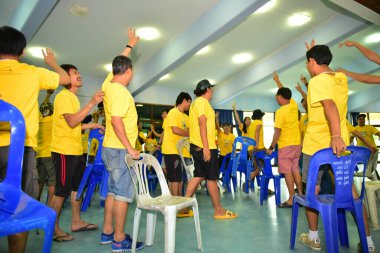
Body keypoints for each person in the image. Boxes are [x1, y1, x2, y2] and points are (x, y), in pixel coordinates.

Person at [299, 42, 376, 252]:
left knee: (312, 190)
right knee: (350, 191)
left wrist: (333, 135)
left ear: (312, 62)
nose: (307, 66)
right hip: (341, 148)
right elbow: (333, 93)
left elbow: (329, 105)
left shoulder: (316, 82)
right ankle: (368, 242)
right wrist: (317, 52)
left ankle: (313, 238)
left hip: (317, 146)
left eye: (308, 62)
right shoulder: (340, 78)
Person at [0, 26, 70, 253]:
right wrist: (52, 62)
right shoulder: (31, 72)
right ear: (21, 51)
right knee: (20, 208)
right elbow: (65, 78)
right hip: (20, 152)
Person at [100, 28, 144, 252]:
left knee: (112, 191)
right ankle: (119, 238)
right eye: (132, 70)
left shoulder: (108, 85)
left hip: (110, 148)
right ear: (128, 71)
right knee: (123, 195)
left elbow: (119, 62)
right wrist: (131, 149)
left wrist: (130, 44)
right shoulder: (120, 91)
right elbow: (116, 120)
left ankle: (107, 232)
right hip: (120, 150)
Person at [49, 63, 104, 242]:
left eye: (78, 72)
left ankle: (76, 221)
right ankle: (53, 229)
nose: (79, 75)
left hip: (74, 150)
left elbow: (74, 125)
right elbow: (72, 122)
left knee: (76, 189)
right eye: (74, 73)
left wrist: (92, 124)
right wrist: (91, 103)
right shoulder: (64, 96)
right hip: (63, 151)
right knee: (61, 191)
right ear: (66, 78)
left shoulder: (72, 98)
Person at [180, 79, 237, 219]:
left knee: (200, 176)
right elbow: (202, 124)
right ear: (207, 90)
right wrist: (206, 147)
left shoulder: (196, 103)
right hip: (205, 146)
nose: (212, 92)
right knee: (210, 178)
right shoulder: (201, 102)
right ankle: (218, 211)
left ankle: (183, 208)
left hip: (199, 146)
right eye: (211, 89)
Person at [269, 71, 303, 207]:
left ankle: (291, 198)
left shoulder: (280, 112)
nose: (276, 98)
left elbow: (277, 132)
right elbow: (285, 92)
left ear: (280, 97)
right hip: (296, 145)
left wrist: (271, 147)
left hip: (286, 146)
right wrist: (277, 81)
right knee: (295, 170)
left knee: (288, 172)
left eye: (277, 96)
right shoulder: (293, 106)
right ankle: (300, 195)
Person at [162, 92, 192, 197]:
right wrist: (189, 134)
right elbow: (175, 130)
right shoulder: (173, 112)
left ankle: (178, 202)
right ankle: (176, 204)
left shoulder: (185, 116)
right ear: (184, 100)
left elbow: (191, 129)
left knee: (178, 178)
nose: (189, 105)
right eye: (189, 102)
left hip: (179, 151)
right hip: (171, 150)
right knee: (174, 178)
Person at [36, 89, 56, 207]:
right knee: (53, 181)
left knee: (40, 180)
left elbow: (43, 107)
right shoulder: (52, 121)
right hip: (50, 155)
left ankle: (36, 203)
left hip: (39, 155)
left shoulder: (39, 119)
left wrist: (48, 95)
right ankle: (49, 206)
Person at [354, 114, 380, 179]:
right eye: (360, 119)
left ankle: (370, 175)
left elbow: (378, 133)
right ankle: (366, 172)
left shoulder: (369, 127)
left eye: (363, 119)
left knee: (371, 163)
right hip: (360, 150)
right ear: (357, 120)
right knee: (363, 161)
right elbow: (351, 137)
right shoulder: (355, 128)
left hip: (371, 149)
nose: (362, 121)